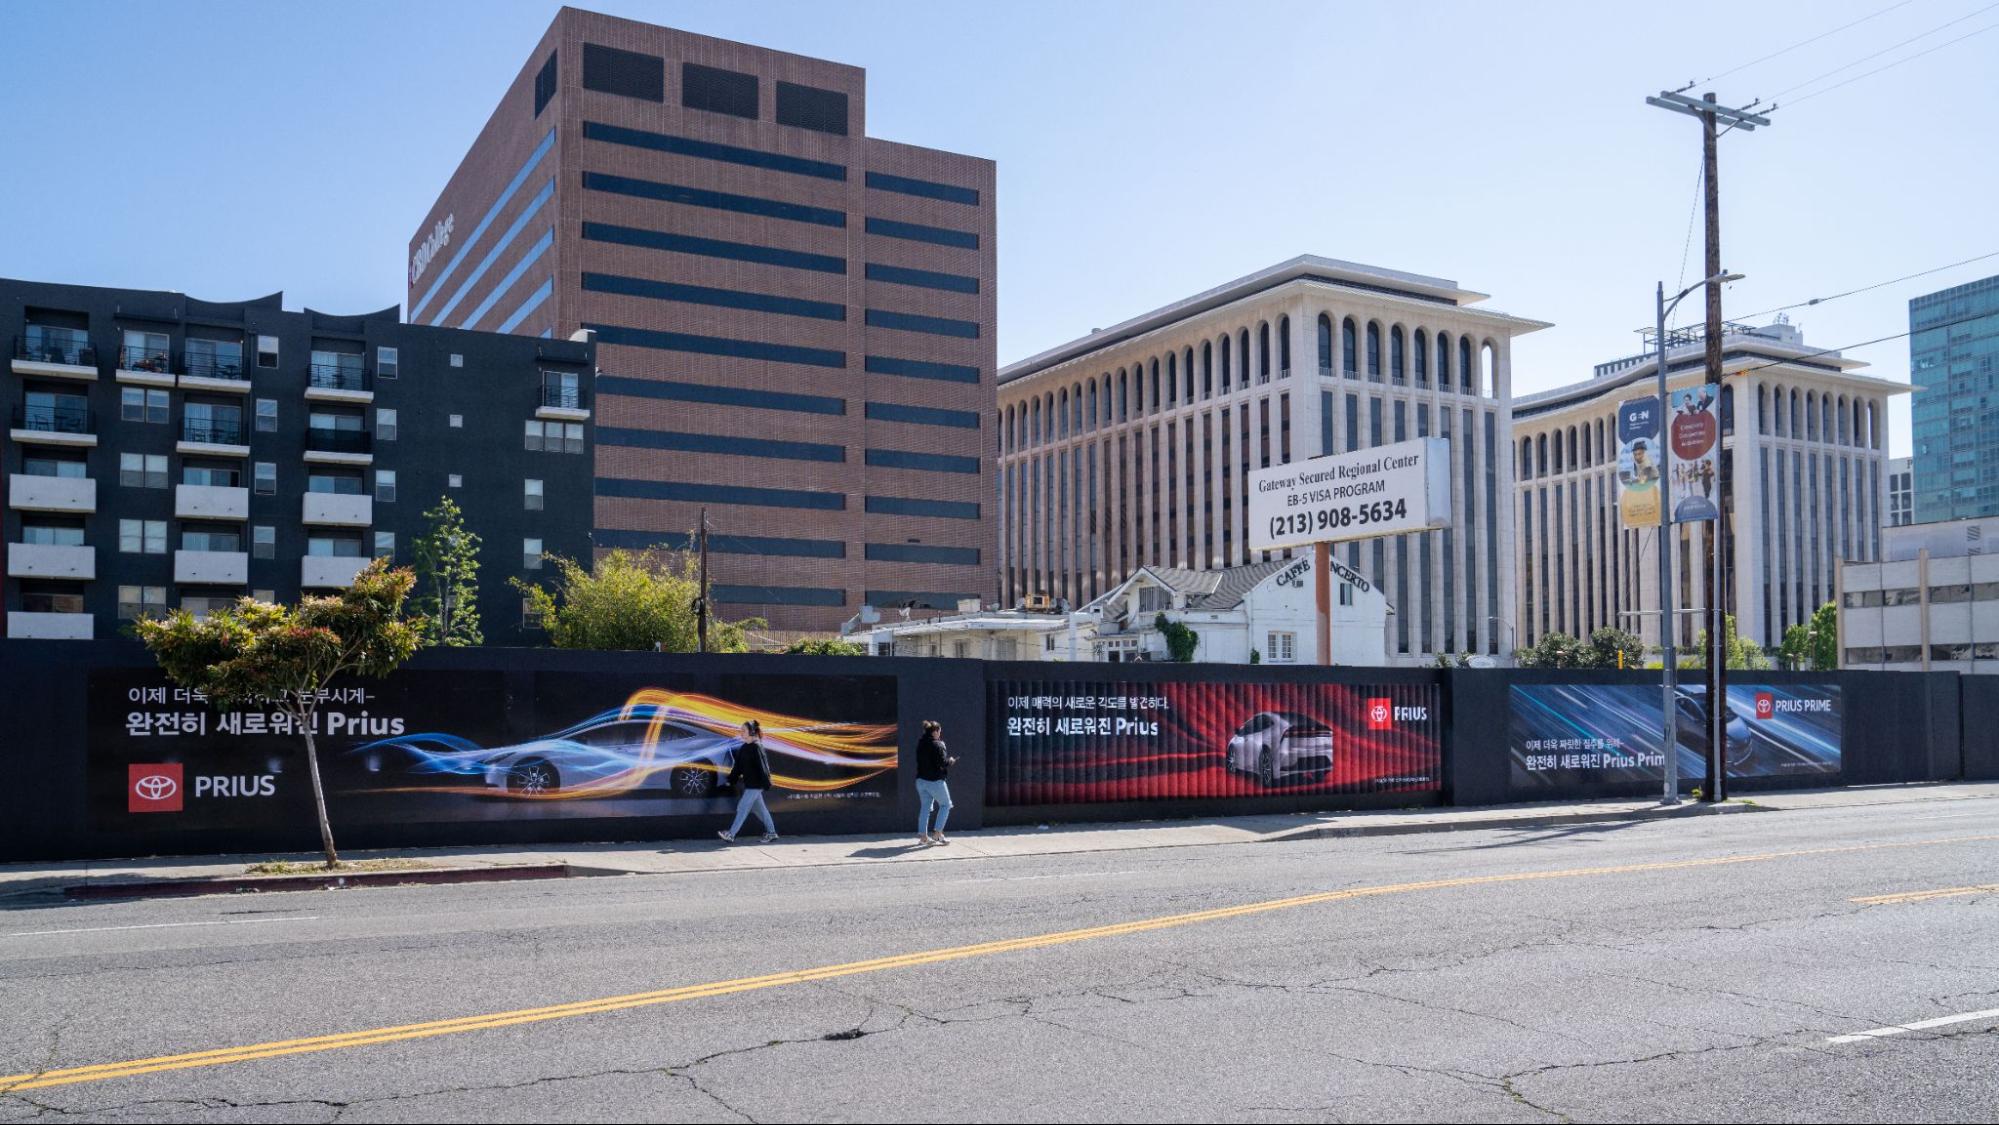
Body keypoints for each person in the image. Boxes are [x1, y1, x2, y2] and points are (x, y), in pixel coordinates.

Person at [718, 719, 778, 844]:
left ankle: (731, 834)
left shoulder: (757, 747)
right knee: (760, 810)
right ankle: (772, 832)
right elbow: (738, 767)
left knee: (742, 807)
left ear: (751, 732)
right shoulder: (744, 748)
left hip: (756, 785)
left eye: (744, 730)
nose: (741, 733)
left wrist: (766, 782)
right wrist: (731, 780)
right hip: (750, 784)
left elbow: (763, 767)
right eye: (741, 731)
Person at [915, 719, 957, 845]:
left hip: (920, 781)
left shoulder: (921, 743)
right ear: (935, 732)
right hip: (935, 781)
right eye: (939, 731)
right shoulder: (938, 744)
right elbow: (942, 763)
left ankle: (923, 837)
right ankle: (938, 834)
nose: (940, 733)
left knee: (925, 808)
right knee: (946, 805)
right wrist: (950, 761)